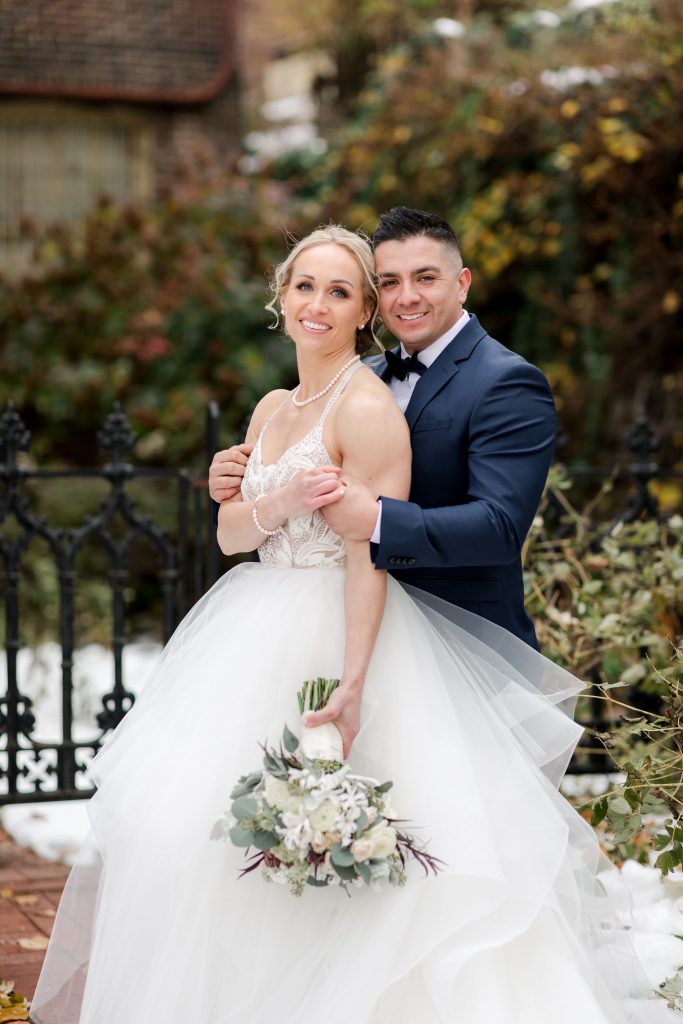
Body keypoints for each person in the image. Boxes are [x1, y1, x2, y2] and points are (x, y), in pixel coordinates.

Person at [31, 227, 672, 1024]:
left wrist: (366, 594)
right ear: (281, 294)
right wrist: (257, 495)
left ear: (456, 283)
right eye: (308, 286)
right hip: (251, 636)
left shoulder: (482, 385)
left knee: (399, 868)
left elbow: (481, 528)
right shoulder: (291, 398)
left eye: (347, 290)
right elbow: (233, 532)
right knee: (209, 846)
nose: (328, 303)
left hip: (396, 634)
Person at [209, 207, 556, 651]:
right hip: (335, 628)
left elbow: (500, 527)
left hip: (461, 642)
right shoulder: (356, 378)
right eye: (390, 282)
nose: (406, 297)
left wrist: (379, 522)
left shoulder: (506, 381)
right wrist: (241, 474)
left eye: (426, 278)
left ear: (463, 283)